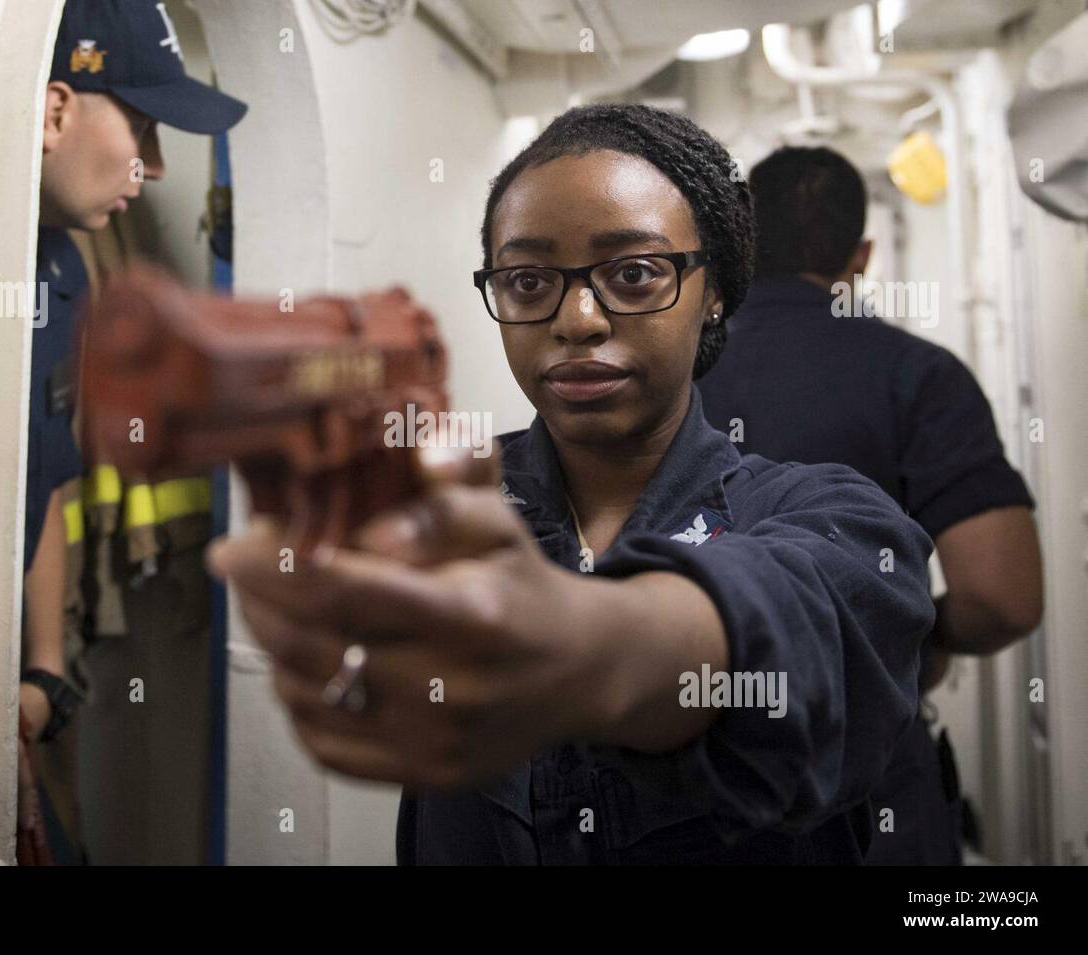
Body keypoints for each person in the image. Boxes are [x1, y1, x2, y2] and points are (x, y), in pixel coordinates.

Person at [208, 104, 938, 864]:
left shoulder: (840, 520)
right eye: (527, 280)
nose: (578, 319)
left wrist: (584, 642)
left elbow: (802, 607)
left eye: (633, 273)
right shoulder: (445, 506)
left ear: (713, 289)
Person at [698, 145, 1043, 864]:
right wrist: (915, 637)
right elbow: (1004, 596)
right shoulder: (918, 375)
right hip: (869, 769)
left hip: (685, 775)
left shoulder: (668, 373)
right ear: (861, 255)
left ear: (739, 244)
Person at [21, 0, 246, 863]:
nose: (152, 167)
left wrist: (44, 669)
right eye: (145, 129)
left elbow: (42, 477)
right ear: (54, 111)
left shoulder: (65, 267)